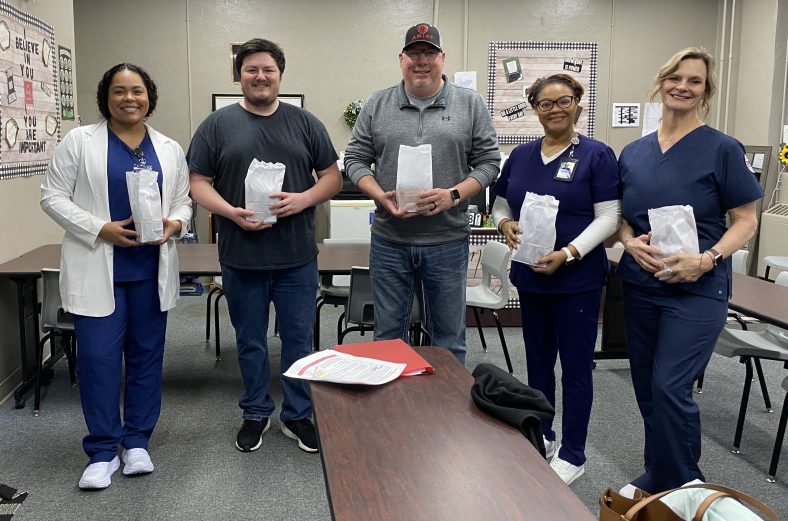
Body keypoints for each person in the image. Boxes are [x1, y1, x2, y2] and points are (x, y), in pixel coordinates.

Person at [616, 48, 762, 495]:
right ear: (661, 83)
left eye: (694, 81)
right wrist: (626, 240)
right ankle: (659, 474)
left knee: (670, 386)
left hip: (697, 288)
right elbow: (623, 216)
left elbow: (746, 219)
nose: (682, 86)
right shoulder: (635, 151)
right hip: (641, 285)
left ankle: (685, 485)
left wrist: (708, 258)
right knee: (647, 388)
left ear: (705, 91)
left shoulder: (722, 149)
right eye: (675, 77)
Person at [40, 63, 192, 489]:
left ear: (150, 97)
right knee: (98, 361)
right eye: (120, 91)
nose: (130, 98)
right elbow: (51, 197)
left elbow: (182, 202)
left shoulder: (168, 147)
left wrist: (175, 225)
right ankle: (103, 450)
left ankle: (138, 441)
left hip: (149, 270)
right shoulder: (79, 142)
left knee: (146, 357)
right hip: (97, 267)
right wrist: (99, 228)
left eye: (138, 91)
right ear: (106, 97)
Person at [187, 38, 342, 454]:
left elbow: (332, 176)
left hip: (296, 257)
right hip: (241, 256)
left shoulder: (305, 123)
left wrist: (303, 198)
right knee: (250, 341)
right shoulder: (216, 125)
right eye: (251, 69)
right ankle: (255, 412)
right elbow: (197, 183)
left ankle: (297, 415)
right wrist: (229, 212)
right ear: (239, 75)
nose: (260, 76)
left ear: (279, 75)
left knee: (299, 340)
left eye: (268, 70)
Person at [344, 23, 500, 362]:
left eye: (429, 53)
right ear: (401, 59)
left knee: (448, 339)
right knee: (387, 336)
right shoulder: (377, 104)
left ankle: (446, 413)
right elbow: (354, 159)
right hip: (390, 241)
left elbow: (489, 163)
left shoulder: (470, 105)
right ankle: (394, 412)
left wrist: (454, 195)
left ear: (442, 58)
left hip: (446, 241)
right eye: (414, 53)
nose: (421, 60)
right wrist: (378, 194)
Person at [492, 73, 620, 485]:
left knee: (576, 368)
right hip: (531, 278)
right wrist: (505, 223)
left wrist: (569, 253)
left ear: (578, 103)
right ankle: (543, 435)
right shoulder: (522, 156)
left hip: (576, 281)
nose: (555, 110)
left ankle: (574, 452)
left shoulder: (597, 155)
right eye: (545, 104)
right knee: (538, 363)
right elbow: (498, 202)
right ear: (534, 108)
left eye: (563, 101)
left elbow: (610, 218)